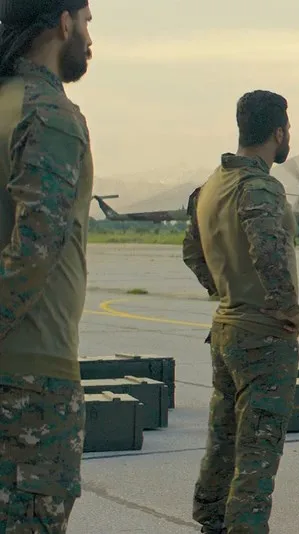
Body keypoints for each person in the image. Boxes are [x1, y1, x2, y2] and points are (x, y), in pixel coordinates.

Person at [183, 90, 299, 534]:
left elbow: (192, 252)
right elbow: (269, 251)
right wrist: (287, 309)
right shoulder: (260, 186)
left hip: (226, 327)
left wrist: (223, 289)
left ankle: (211, 518)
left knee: (223, 437)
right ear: (279, 133)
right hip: (262, 334)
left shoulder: (211, 186)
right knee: (259, 448)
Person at [0, 2, 94, 532]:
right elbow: (35, 250)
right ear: (63, 23)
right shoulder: (49, 114)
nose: (89, 37)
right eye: (86, 22)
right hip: (30, 380)